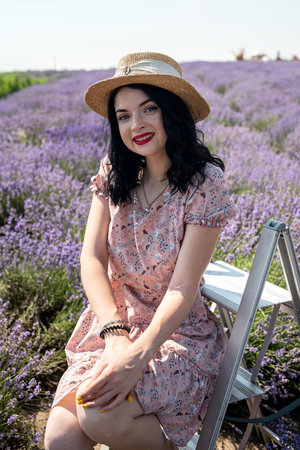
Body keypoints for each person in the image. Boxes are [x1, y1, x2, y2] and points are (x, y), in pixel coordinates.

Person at [44, 52, 235, 450]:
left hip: (175, 334)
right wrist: (115, 337)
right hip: (116, 324)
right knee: (61, 438)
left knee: (101, 417)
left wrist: (137, 356)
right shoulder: (115, 172)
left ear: (173, 112)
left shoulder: (203, 184)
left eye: (149, 109)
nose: (137, 125)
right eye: (124, 115)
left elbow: (184, 286)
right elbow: (92, 259)